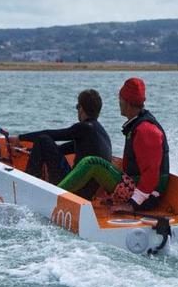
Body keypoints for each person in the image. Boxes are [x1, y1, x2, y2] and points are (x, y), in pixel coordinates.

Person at [57, 77, 169, 212]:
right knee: (111, 162)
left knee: (92, 162)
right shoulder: (138, 123)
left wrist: (131, 205)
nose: (119, 102)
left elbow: (151, 174)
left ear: (127, 102)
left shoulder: (146, 130)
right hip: (138, 188)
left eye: (120, 99)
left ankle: (53, 193)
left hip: (147, 198)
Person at [13, 89, 112, 199]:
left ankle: (27, 187)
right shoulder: (100, 133)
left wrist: (20, 138)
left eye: (77, 107)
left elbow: (52, 135)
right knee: (44, 144)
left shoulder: (83, 127)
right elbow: (60, 149)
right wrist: (33, 151)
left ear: (81, 108)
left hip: (74, 190)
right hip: (87, 194)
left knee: (43, 139)